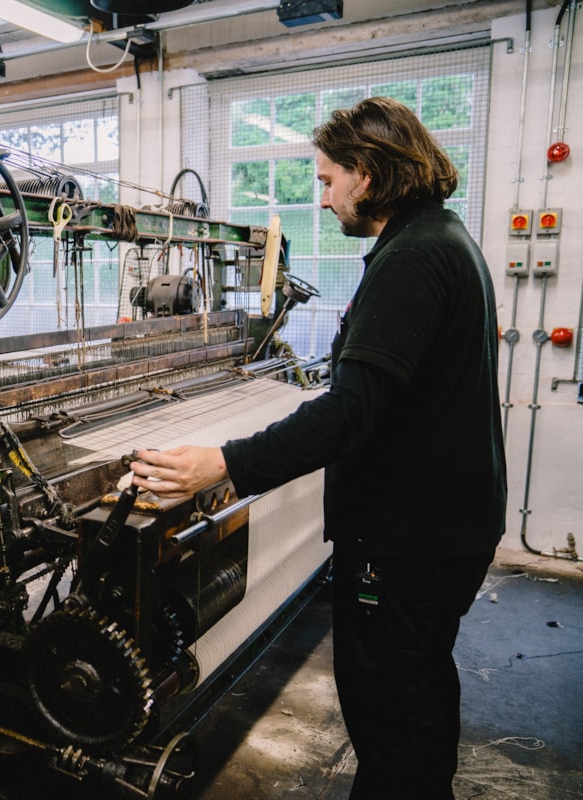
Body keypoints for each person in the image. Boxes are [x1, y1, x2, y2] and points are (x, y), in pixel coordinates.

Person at [128, 96, 506, 799]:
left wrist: (224, 464)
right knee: (416, 699)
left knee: (392, 721)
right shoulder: (442, 240)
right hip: (441, 527)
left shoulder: (413, 257)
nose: (324, 198)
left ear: (369, 174)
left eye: (329, 180)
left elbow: (351, 411)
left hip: (409, 542)